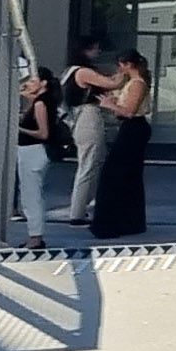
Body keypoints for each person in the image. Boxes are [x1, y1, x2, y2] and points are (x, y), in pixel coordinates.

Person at [85, 51, 153, 242]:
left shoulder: (137, 84)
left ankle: (111, 222)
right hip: (131, 128)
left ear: (129, 65)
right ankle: (128, 221)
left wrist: (109, 105)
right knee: (127, 175)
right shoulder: (132, 84)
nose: (119, 69)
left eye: (121, 65)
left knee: (114, 175)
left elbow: (130, 112)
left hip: (133, 129)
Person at [58, 36, 112, 227]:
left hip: (80, 118)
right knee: (88, 164)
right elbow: (110, 84)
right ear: (85, 51)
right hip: (87, 117)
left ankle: (81, 207)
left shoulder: (71, 71)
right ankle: (78, 211)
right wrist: (125, 73)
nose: (97, 52)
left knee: (92, 162)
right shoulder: (83, 72)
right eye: (94, 49)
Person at [13, 69, 59, 250]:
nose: (28, 84)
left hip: (33, 151)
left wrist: (20, 129)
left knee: (31, 195)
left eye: (33, 81)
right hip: (29, 152)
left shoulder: (41, 103)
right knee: (30, 194)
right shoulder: (40, 100)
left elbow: (43, 133)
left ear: (44, 83)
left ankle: (35, 237)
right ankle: (34, 235)